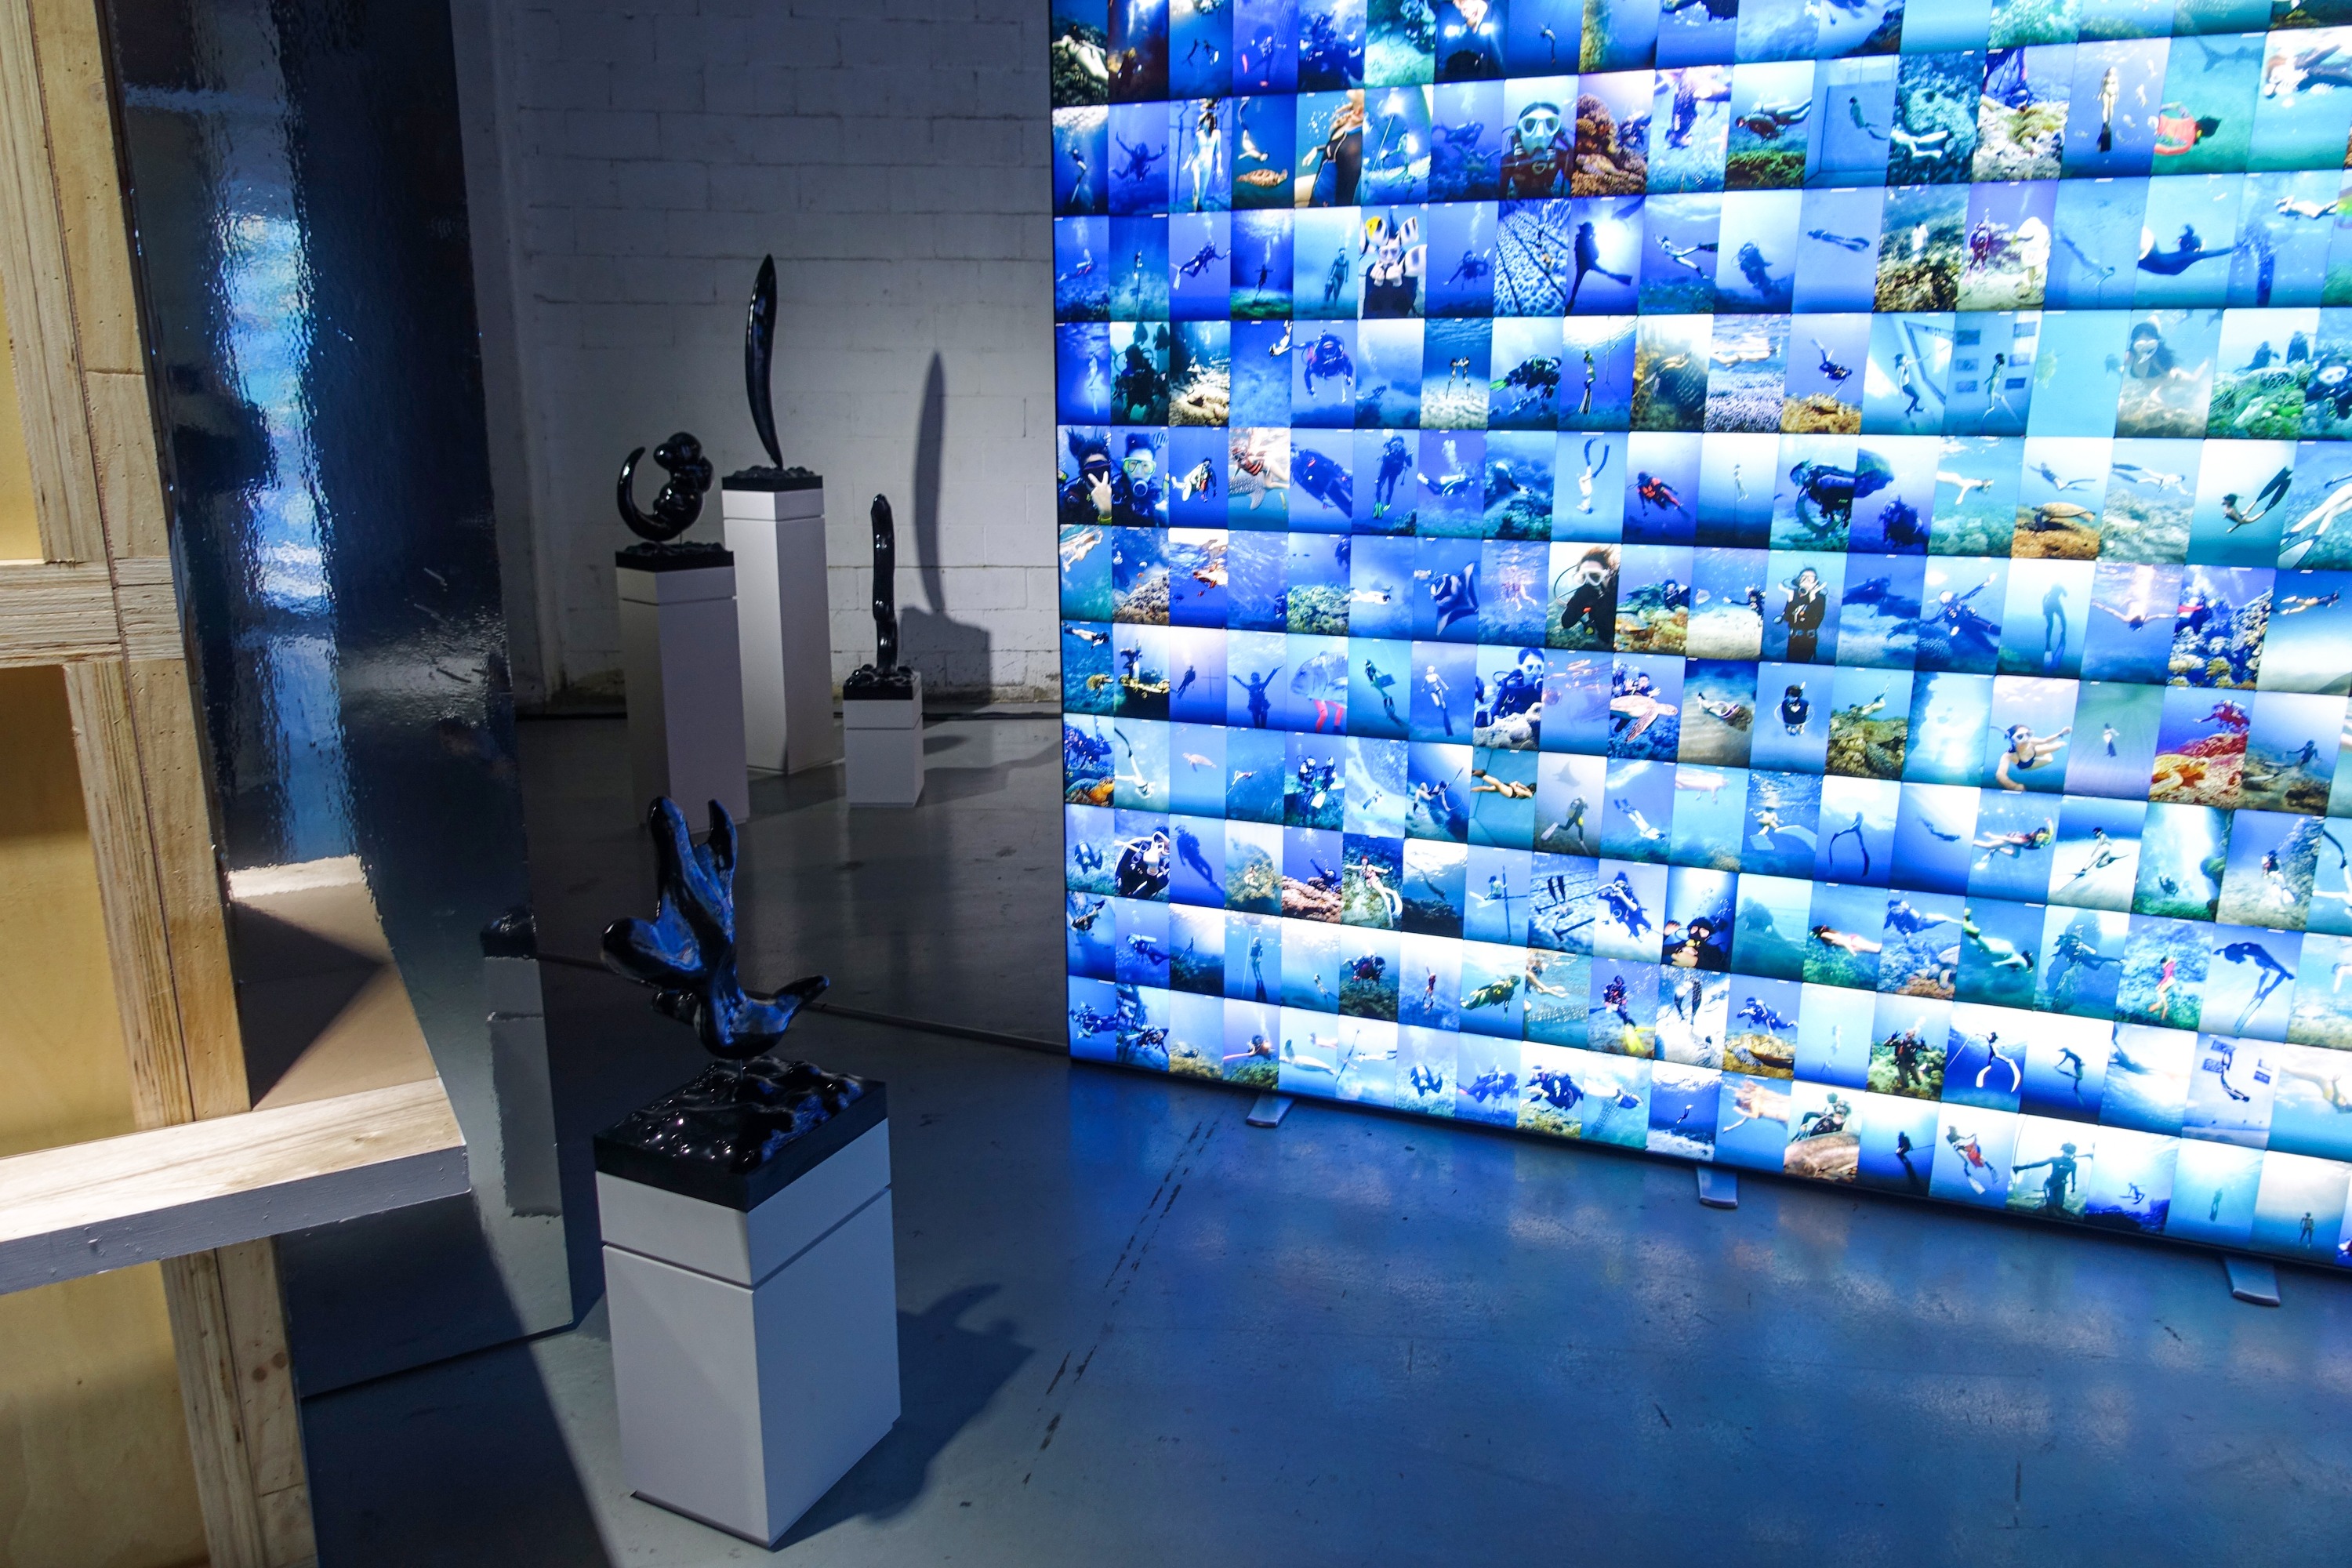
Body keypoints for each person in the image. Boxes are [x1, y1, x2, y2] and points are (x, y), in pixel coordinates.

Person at [1780, 567, 1827, 662]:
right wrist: (1790, 599)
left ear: (1816, 582)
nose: (1806, 580)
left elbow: (1816, 619)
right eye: (1803, 577)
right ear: (1798, 581)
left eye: (1811, 578)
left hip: (1808, 641)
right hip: (1793, 638)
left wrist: (1813, 595)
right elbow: (1787, 618)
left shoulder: (1820, 598)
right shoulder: (1794, 595)